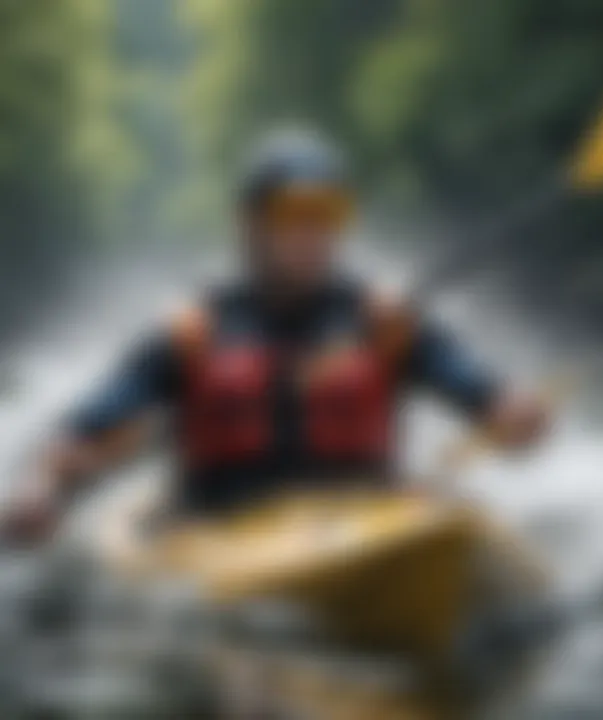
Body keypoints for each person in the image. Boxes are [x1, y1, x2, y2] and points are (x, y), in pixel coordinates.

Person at [2, 129, 547, 542]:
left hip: (362, 528)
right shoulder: (194, 333)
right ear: (250, 224)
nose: (314, 232)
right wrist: (41, 488)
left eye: (328, 213)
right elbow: (79, 430)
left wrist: (513, 415)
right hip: (222, 535)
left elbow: (481, 394)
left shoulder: (383, 322)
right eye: (294, 214)